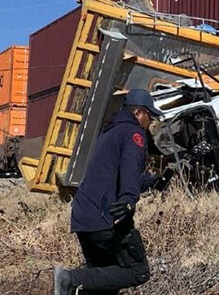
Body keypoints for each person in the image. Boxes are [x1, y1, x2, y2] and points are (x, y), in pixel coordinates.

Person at [54, 89, 162, 294]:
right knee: (137, 271)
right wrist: (130, 198)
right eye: (151, 116)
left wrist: (148, 183)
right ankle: (69, 279)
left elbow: (110, 175)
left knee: (103, 283)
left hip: (84, 216)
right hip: (106, 216)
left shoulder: (108, 132)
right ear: (139, 113)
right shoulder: (134, 133)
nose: (152, 122)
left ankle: (72, 283)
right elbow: (129, 169)